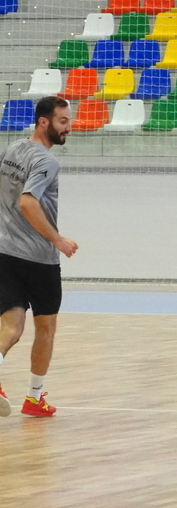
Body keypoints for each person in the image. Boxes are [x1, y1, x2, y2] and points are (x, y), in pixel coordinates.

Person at [0, 96, 77, 418]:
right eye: (62, 122)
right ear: (43, 122)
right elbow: (28, 203)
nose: (69, 128)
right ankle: (34, 397)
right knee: (45, 328)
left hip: (4, 253)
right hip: (38, 259)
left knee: (11, 328)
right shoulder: (47, 162)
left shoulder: (11, 149)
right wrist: (58, 239)